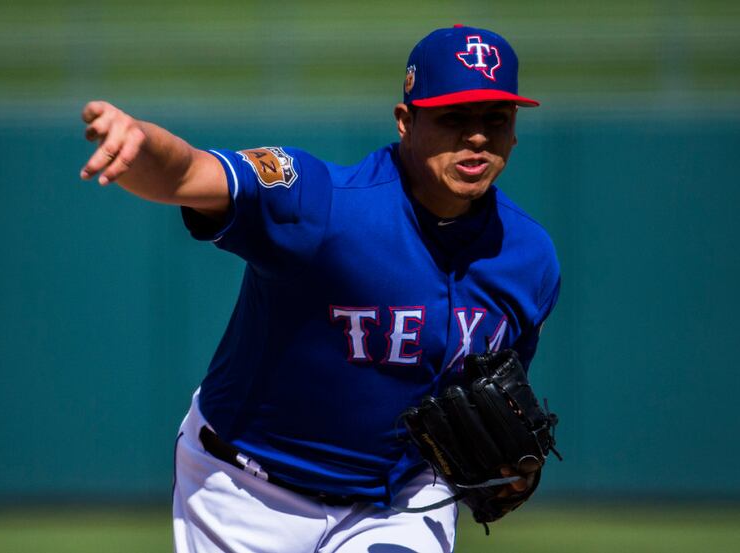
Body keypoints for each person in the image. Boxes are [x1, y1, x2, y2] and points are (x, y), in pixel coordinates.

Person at [80, 24, 560, 553]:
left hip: (395, 501)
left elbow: (497, 400)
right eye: (453, 117)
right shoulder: (322, 202)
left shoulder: (528, 259)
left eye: (495, 120)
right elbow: (190, 173)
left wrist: (509, 466)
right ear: (406, 121)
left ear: (514, 131)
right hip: (246, 490)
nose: (476, 137)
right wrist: (142, 144)